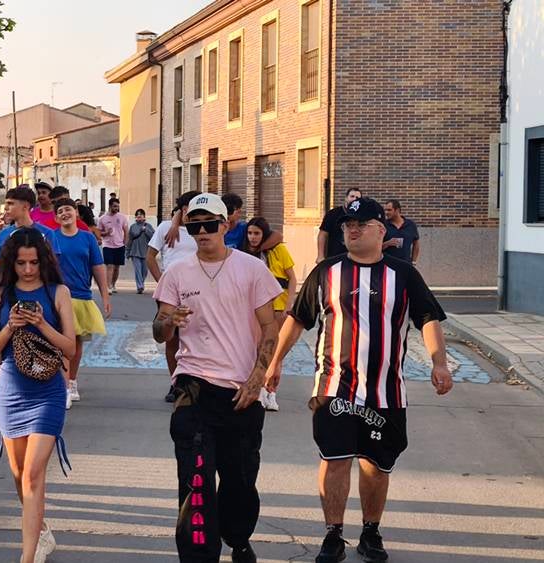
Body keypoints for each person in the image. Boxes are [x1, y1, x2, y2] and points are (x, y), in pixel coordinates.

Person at [265, 198, 452, 563]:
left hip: (386, 392)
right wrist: (275, 362)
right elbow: (298, 319)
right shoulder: (326, 272)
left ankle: (370, 531)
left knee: (375, 466)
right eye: (347, 225)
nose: (352, 229)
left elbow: (428, 318)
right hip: (334, 388)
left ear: (381, 230)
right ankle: (333, 534)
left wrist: (439, 364)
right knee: (334, 460)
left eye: (361, 224)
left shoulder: (404, 274)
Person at [152, 193, 281, 563]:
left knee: (240, 479)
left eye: (211, 224)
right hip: (194, 387)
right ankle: (198, 556)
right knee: (196, 481)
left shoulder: (251, 269)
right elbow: (160, 330)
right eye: (195, 225)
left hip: (241, 391)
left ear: (227, 225)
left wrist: (257, 379)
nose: (203, 231)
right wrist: (167, 322)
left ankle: (238, 539)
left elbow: (269, 327)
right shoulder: (177, 273)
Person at [0, 227, 76, 563]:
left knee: (34, 474)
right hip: (11, 392)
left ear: (43, 260)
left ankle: (27, 556)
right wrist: (10, 326)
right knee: (20, 474)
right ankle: (41, 530)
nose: (27, 270)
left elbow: (70, 347)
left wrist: (40, 324)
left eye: (33, 262)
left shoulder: (58, 292)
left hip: (48, 392)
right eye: (21, 263)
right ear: (12, 262)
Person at [53, 198, 110, 410]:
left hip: (81, 296)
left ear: (76, 212)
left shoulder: (87, 239)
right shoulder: (52, 238)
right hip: (58, 297)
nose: (65, 213)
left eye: (68, 209)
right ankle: (64, 386)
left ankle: (72, 381)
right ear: (56, 217)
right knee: (61, 344)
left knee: (76, 344)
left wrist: (105, 296)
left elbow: (98, 267)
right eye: (60, 211)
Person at [148, 191, 200, 403]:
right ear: (181, 209)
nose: (189, 212)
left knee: (196, 337)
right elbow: (150, 257)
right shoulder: (164, 228)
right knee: (172, 339)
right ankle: (175, 383)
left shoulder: (202, 230)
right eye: (186, 208)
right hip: (171, 291)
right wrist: (162, 282)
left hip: (198, 291)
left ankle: (196, 381)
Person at [240, 217, 297, 413]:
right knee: (256, 349)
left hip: (278, 307)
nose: (253, 237)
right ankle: (258, 388)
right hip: (256, 307)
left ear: (264, 234)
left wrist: (290, 302)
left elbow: (292, 277)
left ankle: (271, 391)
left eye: (257, 233)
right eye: (250, 233)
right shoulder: (246, 254)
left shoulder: (278, 250)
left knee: (274, 352)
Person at [0, 186, 61, 260]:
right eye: (6, 203)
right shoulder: (2, 235)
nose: (6, 208)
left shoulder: (47, 233)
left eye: (10, 203)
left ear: (25, 206)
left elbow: (53, 265)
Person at [317, 188, 363, 263]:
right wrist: (320, 256)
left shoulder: (362, 216)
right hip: (334, 255)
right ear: (346, 198)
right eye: (352, 196)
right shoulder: (332, 214)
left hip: (355, 257)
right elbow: (323, 234)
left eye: (357, 198)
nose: (354, 199)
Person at [98, 199, 129, 294]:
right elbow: (99, 232)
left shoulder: (122, 217)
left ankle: (113, 283)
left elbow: (126, 230)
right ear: (110, 206)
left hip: (119, 245)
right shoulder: (102, 219)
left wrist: (125, 241)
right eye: (115, 206)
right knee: (110, 265)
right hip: (107, 245)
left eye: (118, 206)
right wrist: (105, 233)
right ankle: (108, 286)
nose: (117, 208)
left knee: (117, 267)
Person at [382, 199, 420, 264]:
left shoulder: (410, 224)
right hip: (388, 265)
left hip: (406, 264)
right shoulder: (383, 225)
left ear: (397, 210)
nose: (386, 213)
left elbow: (416, 243)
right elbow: (375, 247)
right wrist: (387, 243)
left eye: (389, 210)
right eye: (385, 210)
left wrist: (414, 261)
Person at [127, 209, 155, 294]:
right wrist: (127, 251)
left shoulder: (149, 226)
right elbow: (130, 239)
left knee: (144, 271)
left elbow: (153, 237)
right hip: (135, 252)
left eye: (141, 216)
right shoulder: (133, 227)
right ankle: (139, 286)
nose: (139, 217)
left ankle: (141, 282)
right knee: (137, 270)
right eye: (137, 216)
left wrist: (145, 230)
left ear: (144, 217)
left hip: (146, 251)